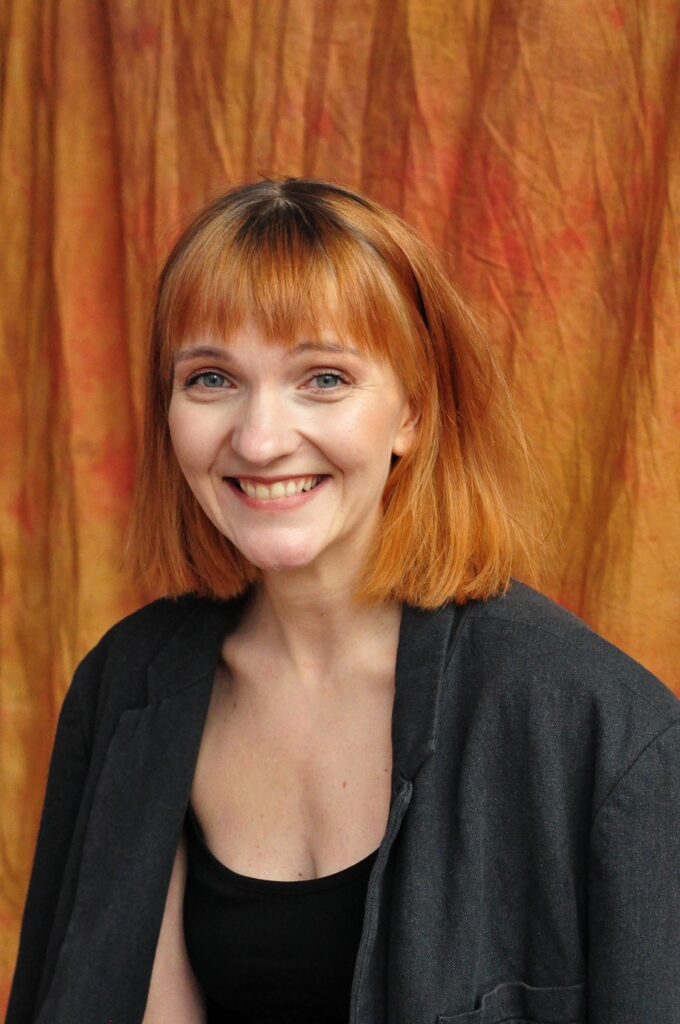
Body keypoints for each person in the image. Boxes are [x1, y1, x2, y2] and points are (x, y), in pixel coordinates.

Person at [7, 178, 680, 1024]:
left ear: (413, 413)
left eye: (323, 378)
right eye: (211, 378)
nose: (260, 440)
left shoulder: (605, 730)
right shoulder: (123, 688)